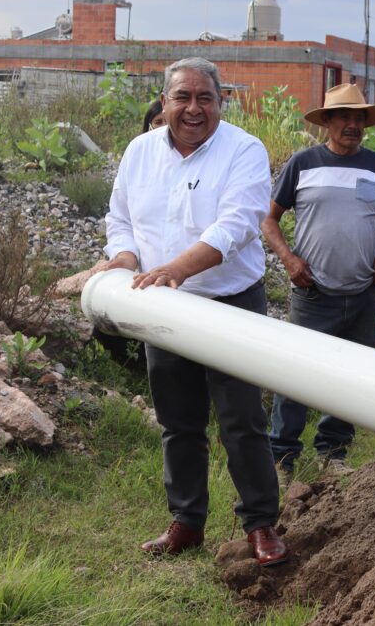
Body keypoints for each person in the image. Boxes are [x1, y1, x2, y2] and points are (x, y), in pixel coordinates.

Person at [102, 57, 286, 565]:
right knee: (178, 420)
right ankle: (186, 523)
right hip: (164, 306)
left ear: (221, 103)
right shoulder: (140, 152)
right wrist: (124, 256)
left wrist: (178, 267)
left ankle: (261, 524)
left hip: (229, 304)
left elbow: (238, 224)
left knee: (241, 419)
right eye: (182, 97)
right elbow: (120, 218)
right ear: (164, 102)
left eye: (205, 97)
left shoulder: (243, 150)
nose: (193, 108)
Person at [262, 83, 375, 484]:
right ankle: (283, 458)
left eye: (359, 118)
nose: (352, 125)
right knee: (296, 376)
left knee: (353, 376)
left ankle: (333, 451)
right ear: (327, 121)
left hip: (363, 293)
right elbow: (269, 219)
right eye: (344, 116)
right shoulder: (303, 163)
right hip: (312, 293)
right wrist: (289, 259)